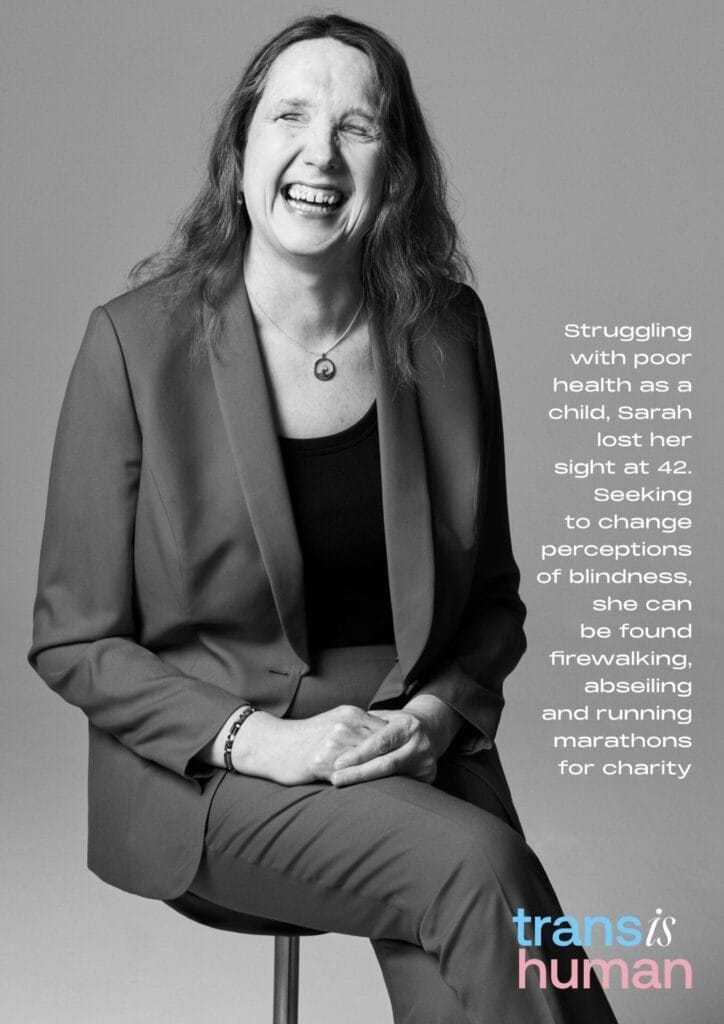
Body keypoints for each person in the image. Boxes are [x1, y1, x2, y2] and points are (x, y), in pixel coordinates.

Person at [29, 14, 618, 1023]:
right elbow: (72, 639)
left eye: (358, 126)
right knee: (482, 872)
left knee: (473, 945)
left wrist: (434, 718)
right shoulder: (132, 346)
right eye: (291, 117)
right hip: (208, 771)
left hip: (400, 737)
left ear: (397, 170)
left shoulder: (446, 329)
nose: (321, 154)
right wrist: (259, 740)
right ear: (240, 151)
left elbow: (491, 600)